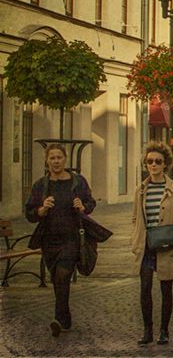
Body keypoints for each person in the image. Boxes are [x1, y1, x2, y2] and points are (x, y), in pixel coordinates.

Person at [25, 143, 96, 337]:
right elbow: (29, 212)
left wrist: (82, 206)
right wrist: (42, 209)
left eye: (59, 158)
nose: (56, 161)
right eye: (52, 158)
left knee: (63, 275)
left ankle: (59, 318)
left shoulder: (78, 182)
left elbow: (91, 203)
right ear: (46, 161)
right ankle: (65, 316)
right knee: (57, 278)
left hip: (72, 238)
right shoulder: (41, 185)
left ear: (65, 159)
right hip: (49, 240)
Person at [131, 141, 173, 345]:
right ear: (145, 164)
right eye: (150, 161)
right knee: (145, 286)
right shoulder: (140, 189)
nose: (154, 165)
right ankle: (147, 330)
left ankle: (164, 330)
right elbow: (135, 218)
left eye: (158, 161)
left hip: (168, 245)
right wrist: (135, 239)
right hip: (147, 246)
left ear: (166, 164)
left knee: (166, 288)